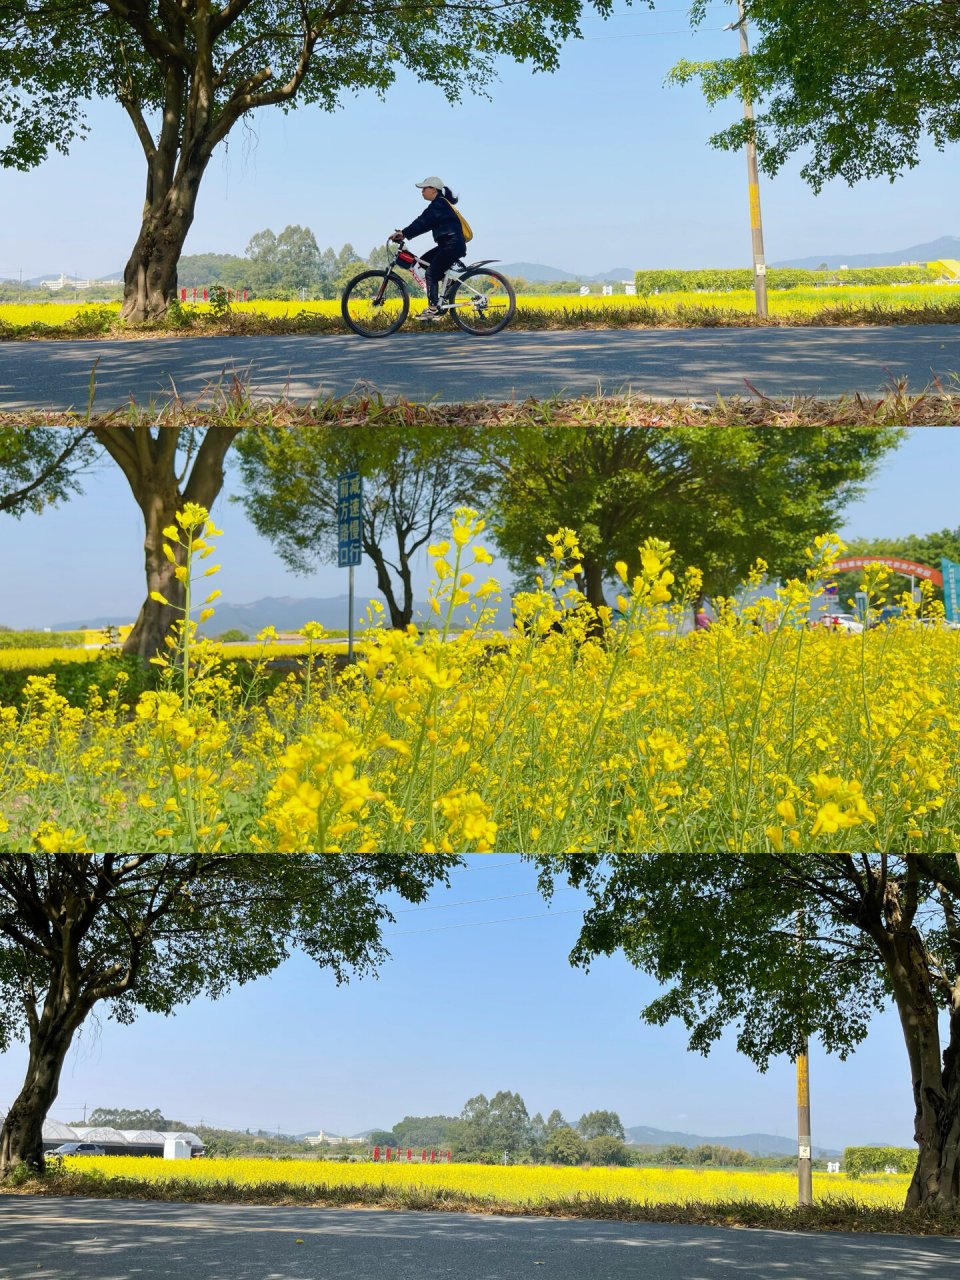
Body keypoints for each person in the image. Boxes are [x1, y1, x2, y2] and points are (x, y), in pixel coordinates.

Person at [390, 177, 467, 321]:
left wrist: (404, 233)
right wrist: (405, 233)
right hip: (448, 244)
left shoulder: (439, 205)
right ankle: (447, 282)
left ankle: (433, 309)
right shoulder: (439, 204)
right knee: (422, 263)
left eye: (424, 188)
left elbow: (423, 222)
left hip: (452, 244)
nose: (422, 191)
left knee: (430, 273)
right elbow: (423, 221)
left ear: (433, 189)